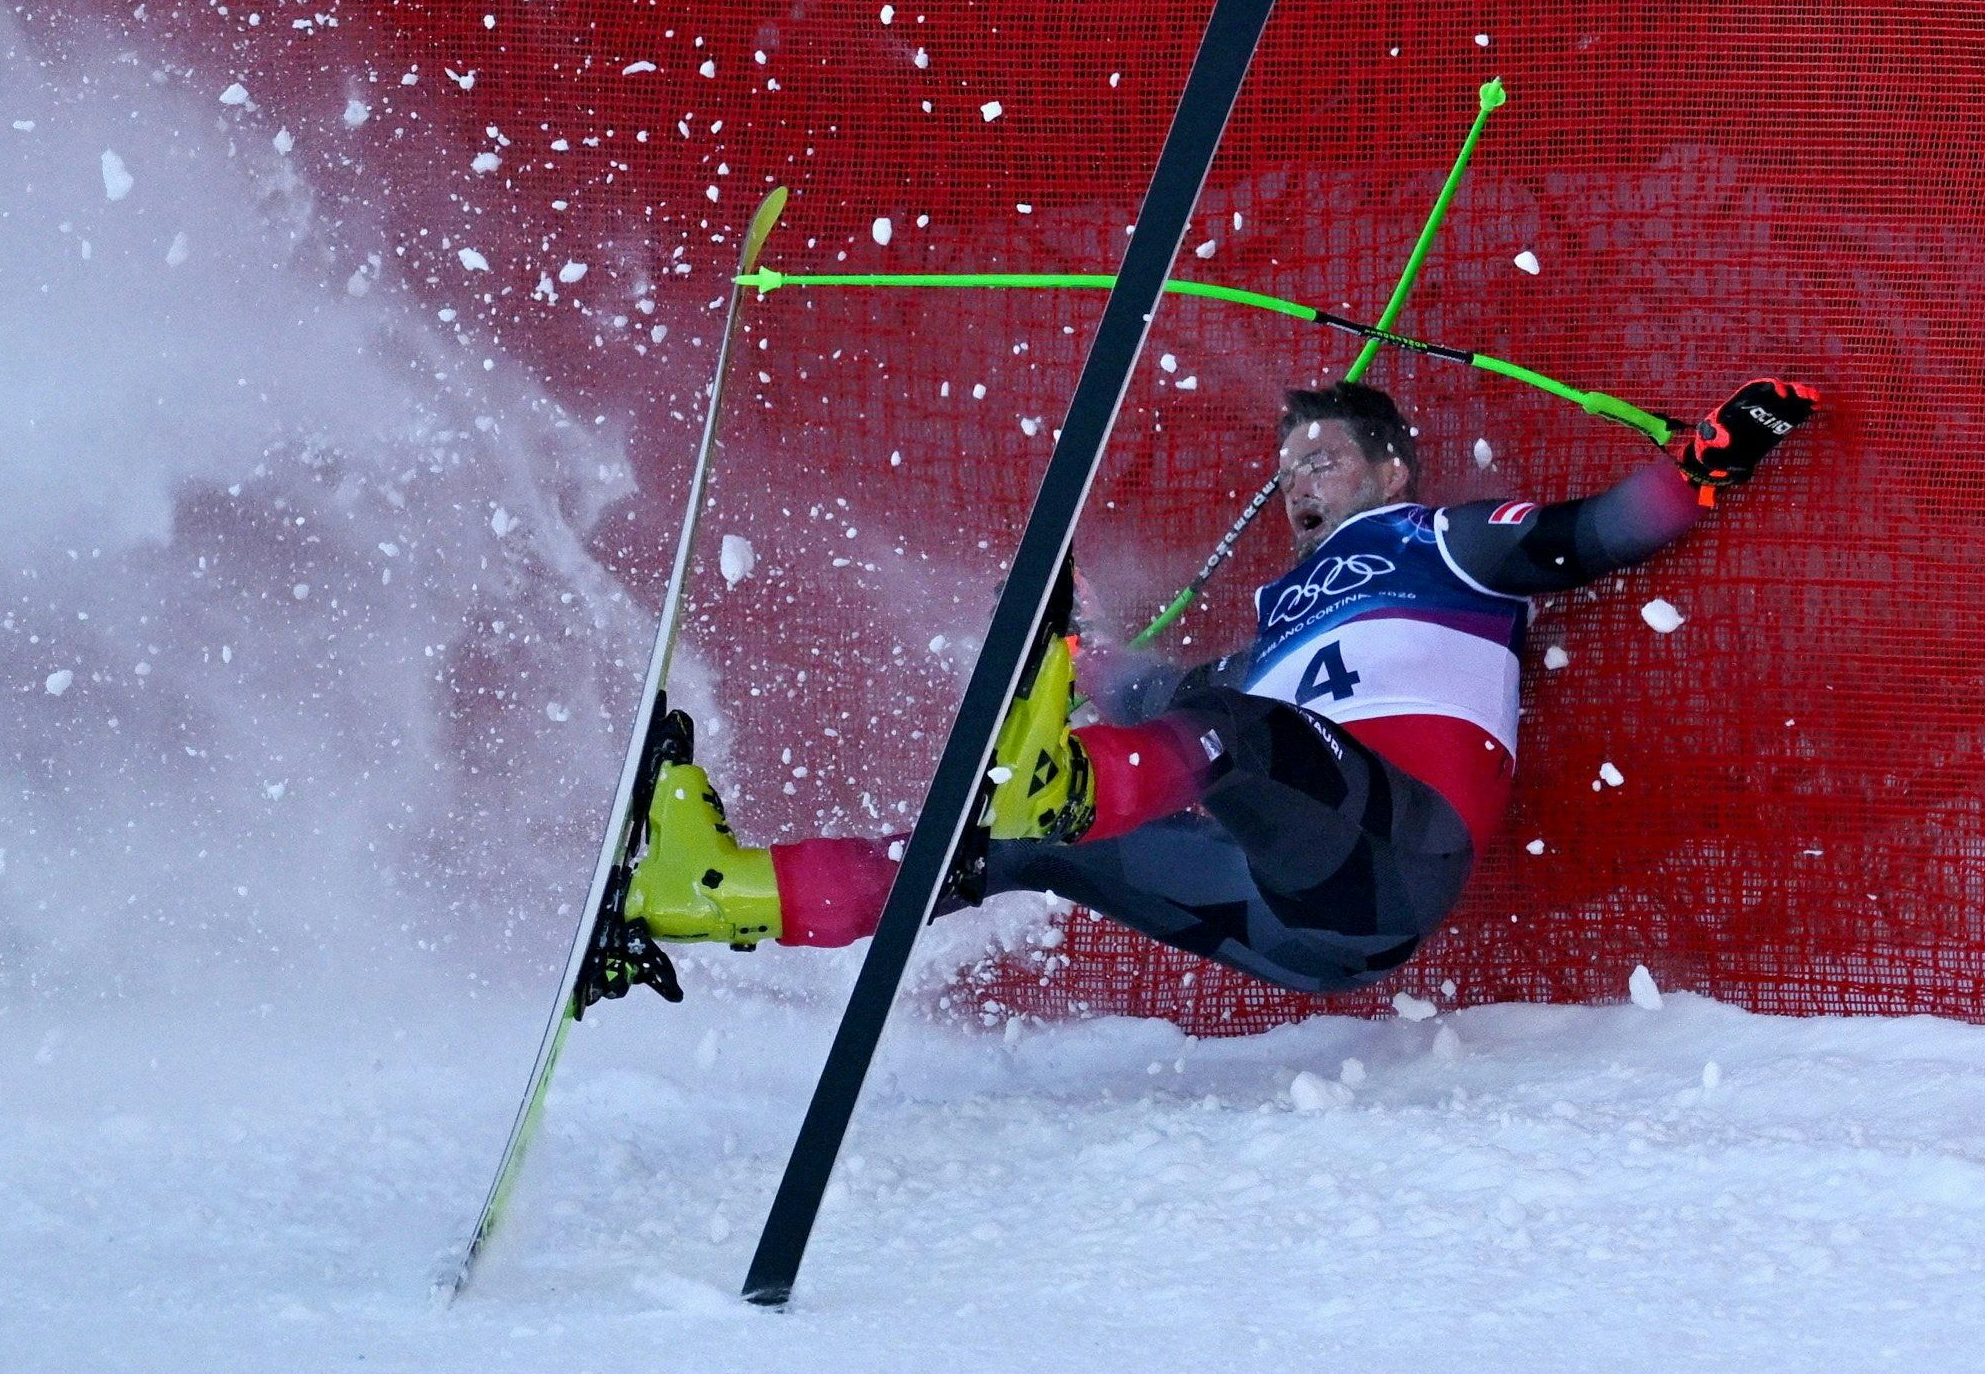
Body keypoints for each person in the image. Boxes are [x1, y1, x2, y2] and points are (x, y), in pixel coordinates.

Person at [620, 376, 1818, 993]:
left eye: (1325, 456)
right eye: (1289, 466)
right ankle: (710, 890)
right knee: (1008, 844)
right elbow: (1155, 697)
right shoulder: (1270, 623)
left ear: (1391, 463)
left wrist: (1721, 445)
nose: (1300, 481)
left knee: (1231, 735)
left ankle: (1059, 781)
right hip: (1285, 913)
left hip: (1395, 858)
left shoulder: (1439, 539)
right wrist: (1075, 646)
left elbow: (1601, 531)